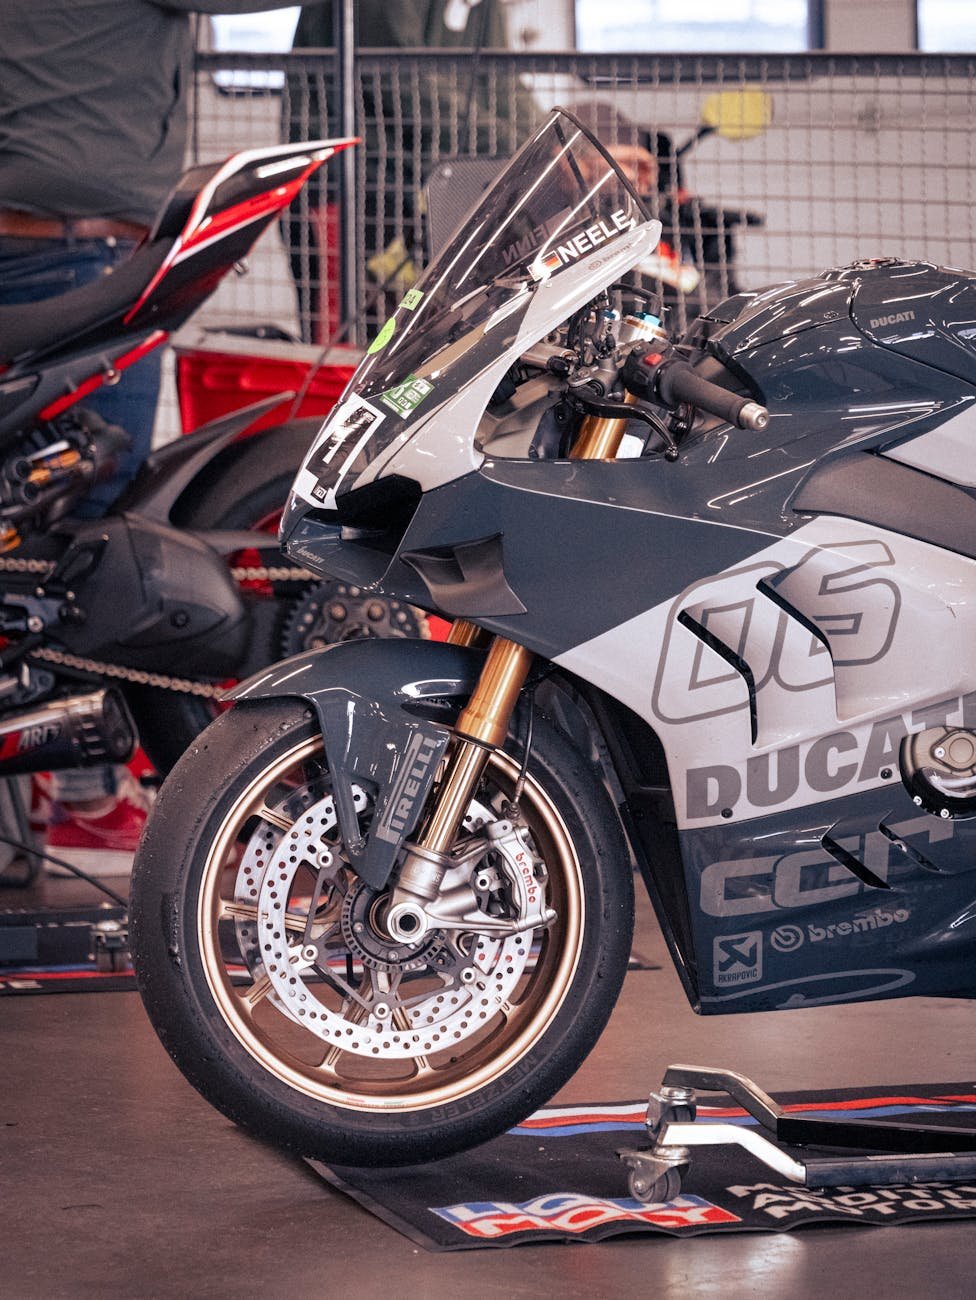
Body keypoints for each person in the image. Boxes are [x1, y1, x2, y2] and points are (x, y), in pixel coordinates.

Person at [0, 0, 323, 873]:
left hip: (43, 240)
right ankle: (81, 796)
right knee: (82, 536)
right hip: (76, 255)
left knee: (27, 519)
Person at [284, 0, 536, 343]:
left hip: (420, 189)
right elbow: (397, 76)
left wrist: (553, 141)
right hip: (346, 188)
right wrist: (524, 145)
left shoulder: (486, 8)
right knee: (344, 348)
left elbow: (501, 81)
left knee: (415, 346)